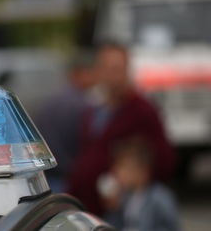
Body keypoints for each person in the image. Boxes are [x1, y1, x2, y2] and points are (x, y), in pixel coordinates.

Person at [67, 43, 175, 214]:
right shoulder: (95, 109)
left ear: (127, 70)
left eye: (117, 69)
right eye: (106, 68)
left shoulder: (142, 111)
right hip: (88, 206)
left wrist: (131, 184)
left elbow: (163, 161)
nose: (112, 76)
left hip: (121, 211)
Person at [35, 52, 96, 192]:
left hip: (47, 173)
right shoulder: (79, 104)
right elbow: (80, 143)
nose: (94, 78)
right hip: (65, 175)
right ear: (79, 73)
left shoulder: (53, 99)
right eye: (90, 73)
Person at [98, 136, 179, 231]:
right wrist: (114, 208)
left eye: (125, 169)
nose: (118, 173)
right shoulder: (125, 196)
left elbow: (169, 226)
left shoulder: (160, 198)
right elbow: (112, 226)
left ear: (143, 172)